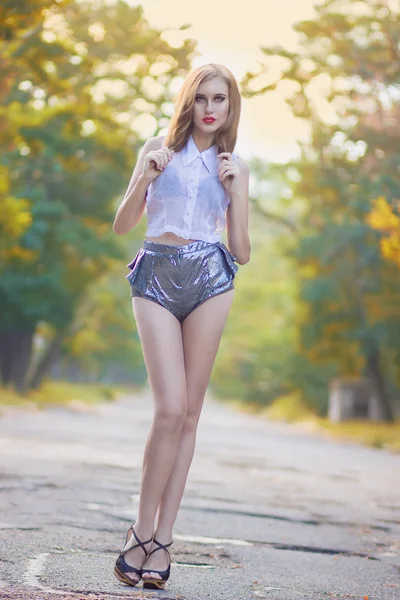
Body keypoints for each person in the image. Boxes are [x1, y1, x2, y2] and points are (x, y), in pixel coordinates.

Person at [112, 63, 250, 590]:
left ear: (231, 108)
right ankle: (140, 531)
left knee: (190, 414)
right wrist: (145, 175)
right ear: (188, 103)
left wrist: (236, 193)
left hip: (212, 277)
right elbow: (124, 224)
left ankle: (164, 540)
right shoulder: (157, 150)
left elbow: (242, 250)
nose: (211, 108)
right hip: (155, 272)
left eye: (221, 100)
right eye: (202, 99)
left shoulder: (233, 164)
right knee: (168, 408)